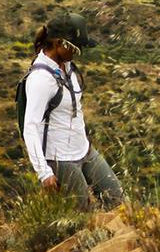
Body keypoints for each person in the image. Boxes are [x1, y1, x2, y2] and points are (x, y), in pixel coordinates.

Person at [20, 13, 121, 209]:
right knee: (81, 212)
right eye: (76, 48)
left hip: (84, 150)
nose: (78, 52)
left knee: (116, 200)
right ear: (59, 44)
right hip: (60, 158)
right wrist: (44, 172)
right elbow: (30, 127)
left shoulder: (67, 67)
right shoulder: (41, 79)